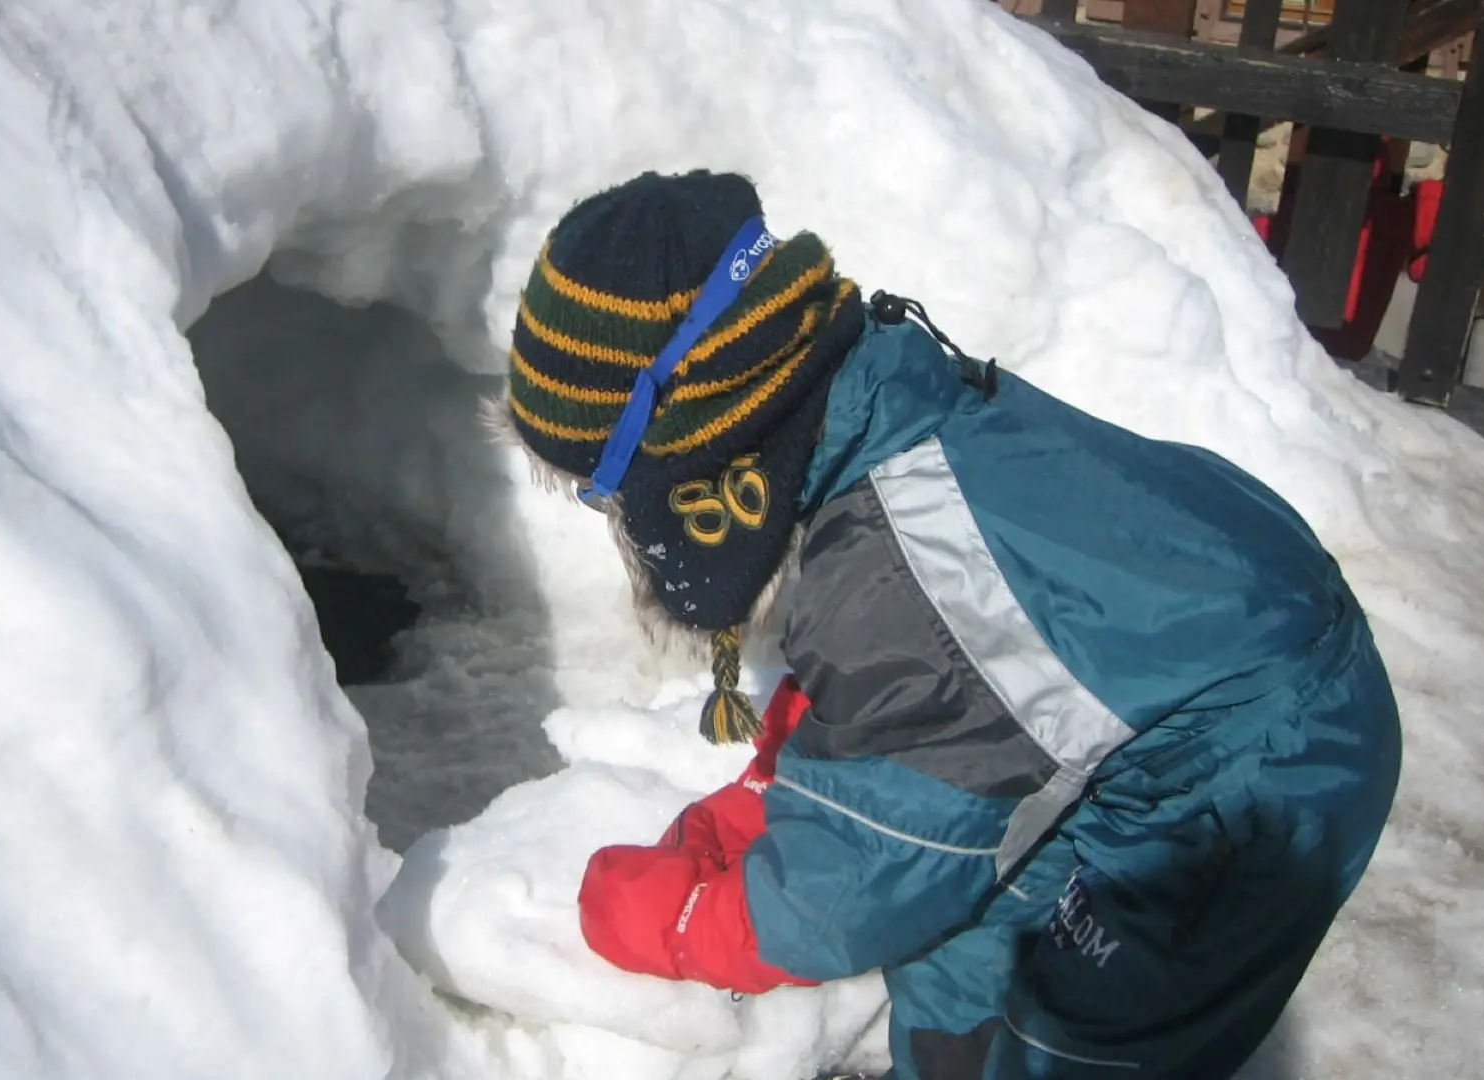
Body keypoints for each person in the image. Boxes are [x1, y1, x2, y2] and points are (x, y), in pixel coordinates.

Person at [491, 170, 1402, 1079]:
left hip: (1246, 771)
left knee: (1056, 1041)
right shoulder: (872, 398)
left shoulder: (899, 572)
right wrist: (778, 793)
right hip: (1187, 658)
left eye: (598, 489)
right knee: (962, 947)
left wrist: (673, 921)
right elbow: (967, 663)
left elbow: (842, 898)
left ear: (691, 454)